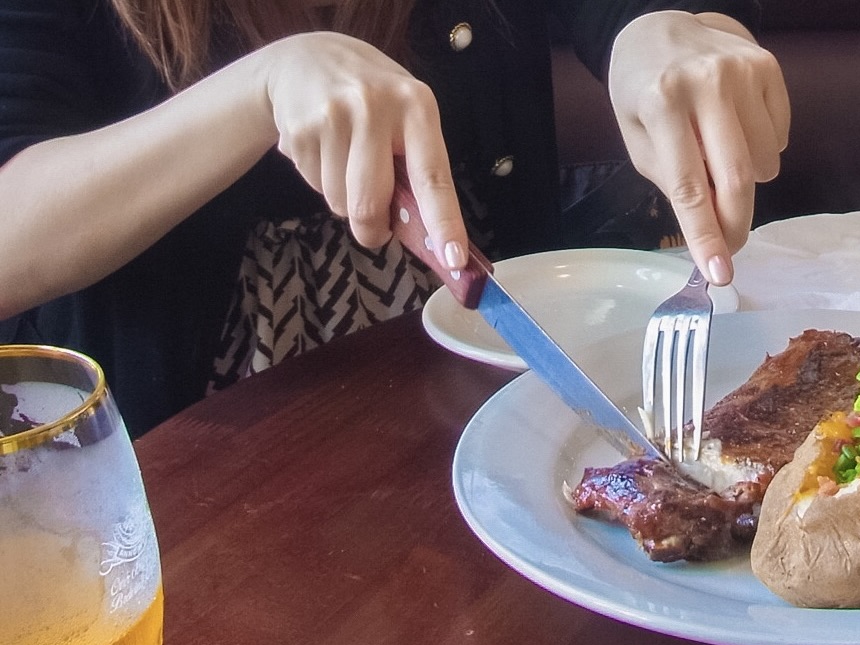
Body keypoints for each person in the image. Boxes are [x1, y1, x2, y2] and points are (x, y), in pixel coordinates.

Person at [0, 0, 789, 436]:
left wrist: (672, 30)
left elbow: (671, 18)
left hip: (503, 413)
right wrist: (259, 90)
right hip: (186, 466)